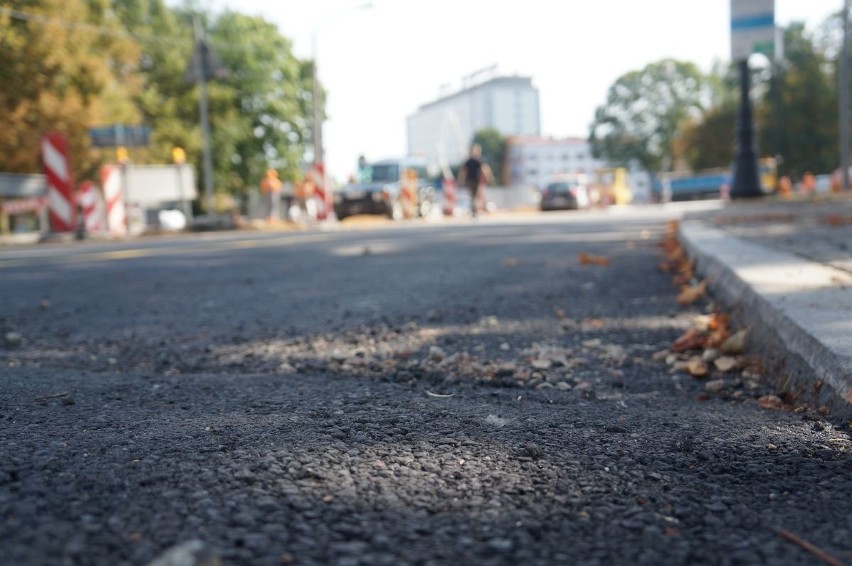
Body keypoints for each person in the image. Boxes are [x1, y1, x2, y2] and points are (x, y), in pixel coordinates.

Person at [457, 143, 492, 217]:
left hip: (472, 181)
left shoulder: (470, 161)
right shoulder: (477, 161)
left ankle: (474, 210)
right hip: (474, 181)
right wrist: (487, 178)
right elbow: (483, 170)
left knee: (473, 196)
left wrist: (461, 180)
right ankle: (475, 210)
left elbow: (463, 172)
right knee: (475, 196)